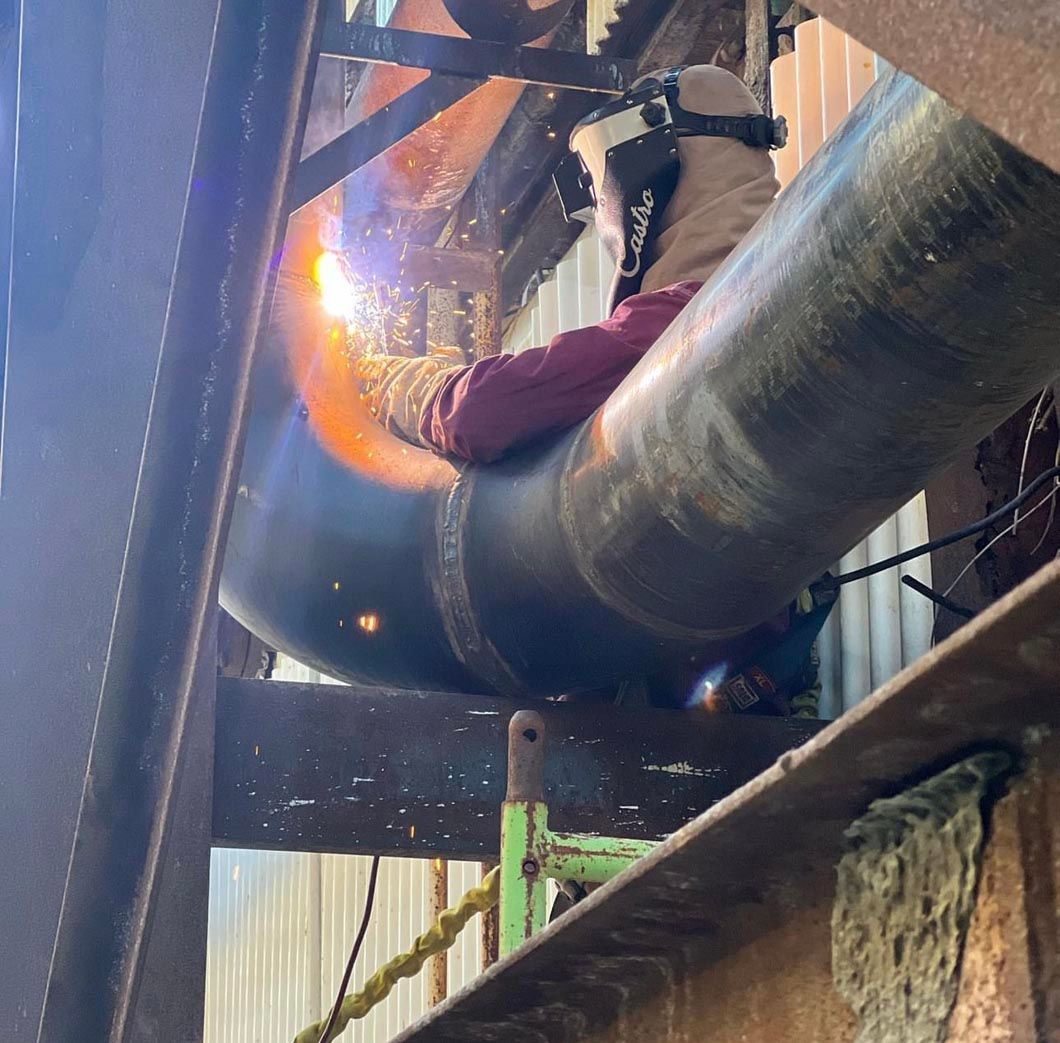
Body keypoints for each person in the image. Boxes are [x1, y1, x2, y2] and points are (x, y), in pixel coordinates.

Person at [353, 64, 785, 464]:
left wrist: (410, 387)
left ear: (656, 158)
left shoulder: (688, 317)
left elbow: (478, 411)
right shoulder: (763, 293)